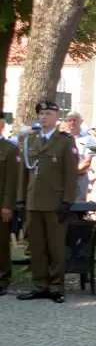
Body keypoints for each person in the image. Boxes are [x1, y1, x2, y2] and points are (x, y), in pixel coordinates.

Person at [16, 101, 77, 304]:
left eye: (48, 113)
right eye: (41, 113)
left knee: (56, 246)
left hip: (55, 201)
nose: (44, 117)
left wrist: (68, 200)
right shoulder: (30, 140)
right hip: (34, 201)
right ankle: (39, 285)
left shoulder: (65, 141)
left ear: (56, 117)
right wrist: (21, 200)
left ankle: (56, 286)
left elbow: (70, 174)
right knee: (37, 245)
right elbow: (24, 174)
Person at [0, 113, 19, 296]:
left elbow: (12, 181)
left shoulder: (9, 149)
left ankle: (2, 278)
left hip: (1, 202)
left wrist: (7, 206)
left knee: (1, 244)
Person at [66, 112, 96, 201]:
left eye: (75, 120)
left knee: (78, 207)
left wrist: (73, 172)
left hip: (80, 177)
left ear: (81, 122)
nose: (72, 122)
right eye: (70, 120)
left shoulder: (89, 139)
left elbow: (88, 161)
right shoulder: (63, 138)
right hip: (64, 178)